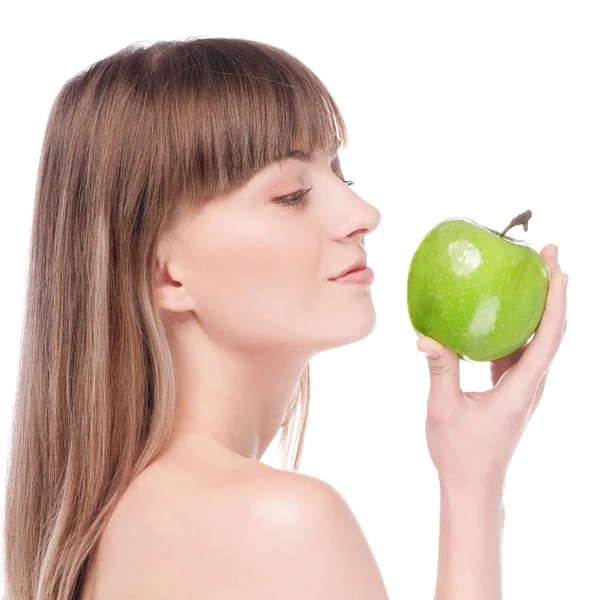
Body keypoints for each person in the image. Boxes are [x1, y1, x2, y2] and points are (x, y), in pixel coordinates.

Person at [3, 37, 568, 600]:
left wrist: (472, 477)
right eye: (292, 194)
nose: (364, 215)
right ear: (168, 275)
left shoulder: (117, 527)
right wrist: (473, 491)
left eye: (341, 177)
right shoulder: (281, 522)